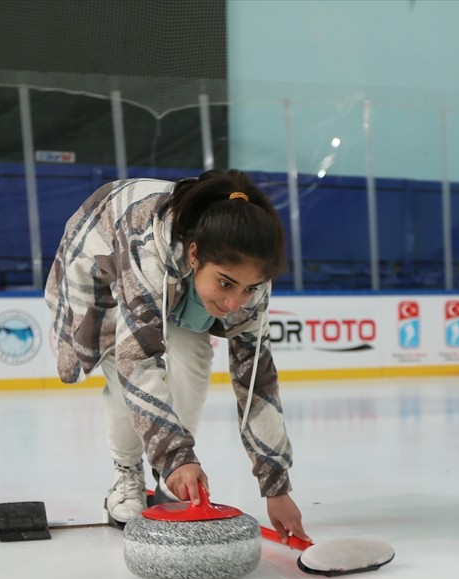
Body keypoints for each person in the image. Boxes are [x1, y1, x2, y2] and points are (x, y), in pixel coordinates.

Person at [45, 169, 308, 543]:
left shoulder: (251, 288)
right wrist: (175, 456)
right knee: (123, 372)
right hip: (103, 265)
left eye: (249, 288)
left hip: (177, 279)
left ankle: (170, 472)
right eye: (226, 283)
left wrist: (276, 487)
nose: (235, 302)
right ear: (196, 254)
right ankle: (127, 470)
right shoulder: (146, 242)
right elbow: (137, 362)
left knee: (195, 357)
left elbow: (256, 385)